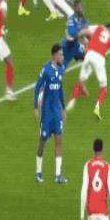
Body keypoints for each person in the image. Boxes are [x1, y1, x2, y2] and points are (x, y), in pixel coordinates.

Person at [33, 44, 67, 184]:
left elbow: (60, 89)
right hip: (47, 113)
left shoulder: (61, 69)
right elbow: (37, 88)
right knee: (43, 142)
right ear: (55, 56)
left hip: (56, 113)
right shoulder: (46, 70)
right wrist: (36, 108)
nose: (62, 56)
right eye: (61, 54)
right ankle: (38, 172)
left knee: (59, 141)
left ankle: (58, 175)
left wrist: (63, 108)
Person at [67, 23, 110, 120]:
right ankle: (97, 107)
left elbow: (85, 31)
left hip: (89, 55)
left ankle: (71, 102)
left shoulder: (98, 27)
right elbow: (108, 43)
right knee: (104, 87)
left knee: (81, 81)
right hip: (99, 59)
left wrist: (78, 37)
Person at [61, 0, 88, 69]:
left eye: (82, 7)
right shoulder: (71, 20)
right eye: (80, 7)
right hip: (68, 46)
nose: (82, 9)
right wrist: (84, 37)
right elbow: (73, 34)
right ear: (76, 8)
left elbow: (86, 30)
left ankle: (78, 55)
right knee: (62, 67)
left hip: (75, 45)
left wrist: (86, 40)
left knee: (87, 56)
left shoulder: (82, 19)